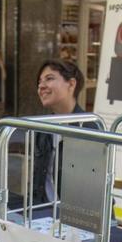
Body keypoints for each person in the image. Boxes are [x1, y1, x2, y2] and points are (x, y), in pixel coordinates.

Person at [32, 59, 98, 203]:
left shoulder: (89, 129)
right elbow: (38, 182)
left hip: (78, 219)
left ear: (71, 84)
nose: (41, 86)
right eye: (39, 82)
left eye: (49, 79)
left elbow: (95, 192)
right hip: (43, 215)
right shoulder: (42, 128)